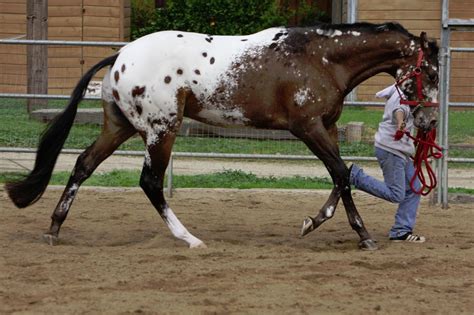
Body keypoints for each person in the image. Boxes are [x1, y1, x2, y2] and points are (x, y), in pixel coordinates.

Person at [349, 84, 425, 243]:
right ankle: (355, 176)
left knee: (414, 188)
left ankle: (401, 231)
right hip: (392, 150)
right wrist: (400, 123)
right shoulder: (400, 96)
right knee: (396, 194)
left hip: (400, 150)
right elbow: (399, 111)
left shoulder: (406, 92)